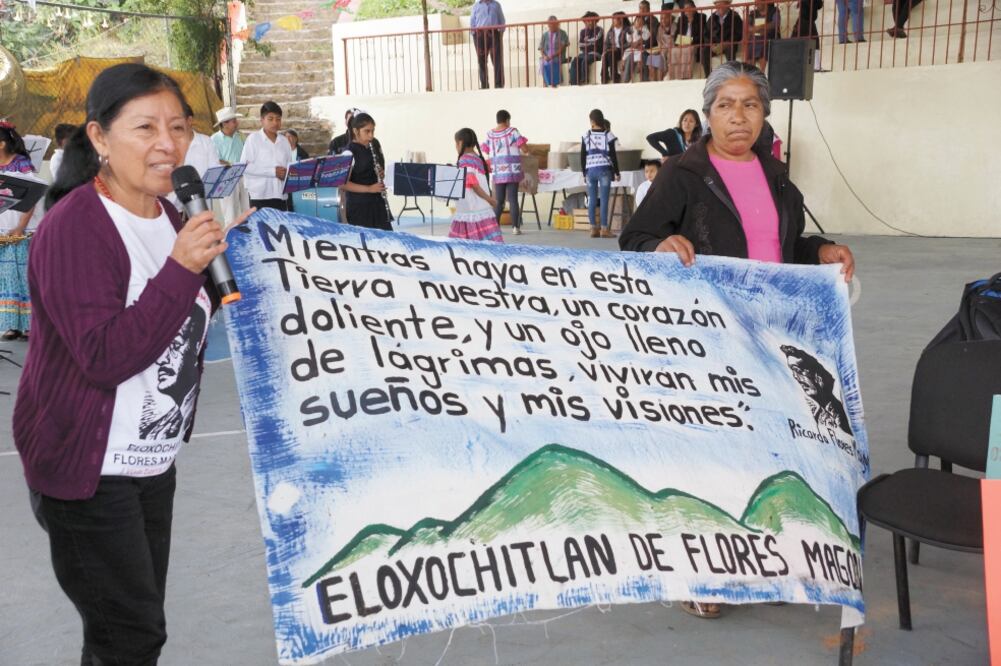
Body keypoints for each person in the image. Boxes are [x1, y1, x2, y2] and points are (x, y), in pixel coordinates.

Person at [14, 62, 251, 665]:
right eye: (145, 127)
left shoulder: (173, 217)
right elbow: (104, 356)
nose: (167, 144)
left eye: (178, 126)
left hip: (150, 459)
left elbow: (182, 325)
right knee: (131, 636)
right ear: (99, 138)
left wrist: (237, 266)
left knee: (130, 631)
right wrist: (179, 270)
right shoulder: (74, 227)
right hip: (89, 469)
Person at [621, 64, 855, 614]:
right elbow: (634, 240)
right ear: (708, 113)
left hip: (769, 334)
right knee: (707, 454)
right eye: (726, 104)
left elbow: (784, 246)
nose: (738, 116)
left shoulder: (777, 178)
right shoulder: (681, 174)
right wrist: (662, 245)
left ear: (764, 115)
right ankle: (696, 577)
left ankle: (760, 561)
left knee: (763, 450)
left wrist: (820, 250)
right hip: (704, 337)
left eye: (750, 105)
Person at [0, 121, 37, 341]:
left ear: (2, 144)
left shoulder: (21, 164)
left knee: (24, 276)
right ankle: (12, 325)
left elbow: (32, 197)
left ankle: (33, 326)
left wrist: (21, 226)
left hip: (21, 229)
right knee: (6, 277)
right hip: (2, 230)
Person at [341, 112, 392, 231]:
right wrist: (369, 189)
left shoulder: (372, 146)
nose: (371, 136)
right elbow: (343, 184)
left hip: (377, 203)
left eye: (373, 131)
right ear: (355, 131)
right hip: (359, 207)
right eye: (367, 131)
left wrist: (380, 173)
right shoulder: (348, 152)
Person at [449, 128, 502, 243]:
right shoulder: (477, 159)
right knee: (488, 243)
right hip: (482, 209)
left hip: (470, 210)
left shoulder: (465, 160)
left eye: (455, 143)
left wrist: (490, 200)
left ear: (460, 143)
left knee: (467, 246)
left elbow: (474, 185)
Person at [240, 100, 293, 212]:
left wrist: (287, 174)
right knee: (262, 229)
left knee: (281, 228)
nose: (275, 122)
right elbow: (244, 166)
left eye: (278, 119)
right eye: (270, 119)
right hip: (260, 196)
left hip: (280, 195)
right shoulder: (253, 139)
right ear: (262, 120)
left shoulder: (284, 141)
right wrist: (273, 172)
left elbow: (290, 165)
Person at [482, 110, 528, 235]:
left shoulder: (490, 134)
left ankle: (495, 227)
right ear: (507, 120)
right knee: (513, 199)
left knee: (499, 201)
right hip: (512, 170)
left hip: (497, 171)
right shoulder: (512, 131)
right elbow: (524, 148)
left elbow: (485, 150)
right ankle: (515, 228)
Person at [581, 109, 620, 239]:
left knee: (592, 199)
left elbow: (582, 155)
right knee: (604, 200)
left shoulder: (586, 135)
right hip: (604, 170)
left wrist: (583, 172)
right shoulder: (608, 135)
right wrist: (617, 172)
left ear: (592, 121)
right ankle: (604, 229)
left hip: (590, 171)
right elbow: (613, 155)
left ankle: (593, 228)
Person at [668, 0, 710, 79]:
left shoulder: (701, 17)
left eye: (689, 8)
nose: (687, 11)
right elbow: (677, 35)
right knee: (673, 51)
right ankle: (675, 76)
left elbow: (702, 35)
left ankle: (686, 76)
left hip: (694, 43)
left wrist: (690, 41)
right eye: (685, 9)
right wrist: (679, 42)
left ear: (694, 8)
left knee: (687, 50)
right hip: (682, 44)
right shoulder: (681, 19)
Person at [471, 0, 506, 89]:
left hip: (494, 33)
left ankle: (499, 84)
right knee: (481, 61)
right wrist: (474, 34)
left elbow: (502, 20)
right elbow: (472, 22)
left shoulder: (496, 5)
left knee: (497, 60)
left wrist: (500, 33)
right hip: (480, 34)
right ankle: (484, 85)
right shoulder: (476, 5)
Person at [569, 11, 604, 86]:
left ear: (595, 21)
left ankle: (584, 80)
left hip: (596, 53)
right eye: (588, 21)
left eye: (591, 20)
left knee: (585, 60)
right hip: (584, 53)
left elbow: (596, 41)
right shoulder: (582, 31)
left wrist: (587, 43)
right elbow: (580, 45)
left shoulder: (599, 29)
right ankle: (574, 82)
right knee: (575, 61)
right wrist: (590, 43)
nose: (590, 22)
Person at [746, 0, 780, 71]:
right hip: (755, 37)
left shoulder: (774, 10)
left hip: (770, 36)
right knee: (750, 45)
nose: (756, 4)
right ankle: (751, 72)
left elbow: (775, 23)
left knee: (765, 45)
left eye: (758, 2)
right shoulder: (753, 13)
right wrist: (753, 29)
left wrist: (761, 27)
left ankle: (762, 72)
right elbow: (747, 26)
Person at [709, 0, 744, 68]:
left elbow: (739, 33)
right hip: (716, 45)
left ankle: (731, 71)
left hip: (728, 44)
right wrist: (711, 43)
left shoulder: (735, 16)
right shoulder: (712, 17)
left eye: (721, 4)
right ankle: (708, 75)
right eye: (717, 5)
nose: (719, 7)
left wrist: (727, 42)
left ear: (727, 5)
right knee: (704, 51)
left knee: (730, 49)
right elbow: (706, 33)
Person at [538, 16, 570, 88]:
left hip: (558, 55)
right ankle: (546, 83)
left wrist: (551, 56)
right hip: (547, 56)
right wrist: (544, 56)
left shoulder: (562, 33)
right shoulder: (545, 35)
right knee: (542, 63)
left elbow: (562, 47)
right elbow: (541, 48)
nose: (552, 26)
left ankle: (553, 84)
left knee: (552, 62)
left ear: (557, 24)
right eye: (550, 24)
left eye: (554, 24)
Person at [622, 13, 653, 82]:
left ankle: (639, 65)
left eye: (640, 21)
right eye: (637, 21)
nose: (638, 23)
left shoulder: (644, 28)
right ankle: (623, 63)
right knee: (627, 52)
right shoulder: (631, 29)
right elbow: (628, 40)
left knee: (640, 54)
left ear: (643, 23)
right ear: (634, 22)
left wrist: (641, 35)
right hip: (633, 48)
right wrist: (630, 37)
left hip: (642, 48)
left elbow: (647, 36)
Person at [601, 12, 631, 84]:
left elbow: (630, 42)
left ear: (621, 20)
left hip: (622, 51)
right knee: (606, 55)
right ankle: (604, 78)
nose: (614, 20)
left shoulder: (627, 29)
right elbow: (606, 43)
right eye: (613, 19)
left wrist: (619, 47)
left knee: (611, 54)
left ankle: (614, 77)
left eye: (616, 19)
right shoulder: (611, 31)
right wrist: (606, 50)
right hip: (612, 51)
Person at [793, 0, 823, 69]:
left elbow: (819, 5)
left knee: (797, 41)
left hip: (807, 20)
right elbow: (819, 5)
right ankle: (816, 66)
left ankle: (816, 66)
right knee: (814, 42)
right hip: (805, 19)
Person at [638, 0, 662, 81]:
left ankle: (645, 79)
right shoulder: (637, 19)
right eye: (640, 8)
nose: (641, 11)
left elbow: (653, 36)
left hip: (652, 46)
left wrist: (644, 45)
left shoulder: (653, 19)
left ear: (648, 9)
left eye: (644, 8)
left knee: (644, 54)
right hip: (641, 46)